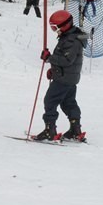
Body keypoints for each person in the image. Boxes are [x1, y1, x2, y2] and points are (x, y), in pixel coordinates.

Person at [36, 10, 88, 141]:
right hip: (69, 77)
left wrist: (50, 58)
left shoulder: (71, 39)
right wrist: (54, 70)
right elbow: (65, 59)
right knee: (68, 103)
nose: (54, 31)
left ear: (63, 25)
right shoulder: (71, 36)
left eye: (55, 27)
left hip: (64, 79)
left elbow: (66, 60)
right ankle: (75, 129)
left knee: (50, 101)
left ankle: (50, 130)